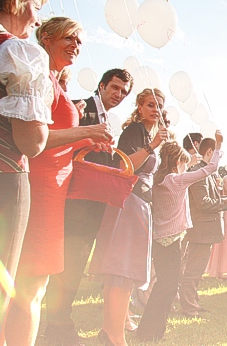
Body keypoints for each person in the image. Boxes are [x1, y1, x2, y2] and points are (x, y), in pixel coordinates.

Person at [4, 16, 112, 346]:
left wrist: (83, 142)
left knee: (32, 284)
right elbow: (34, 139)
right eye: (70, 38)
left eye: (80, 42)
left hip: (55, 189)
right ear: (46, 37)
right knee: (29, 285)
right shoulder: (39, 79)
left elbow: (57, 138)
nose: (76, 46)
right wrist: (87, 130)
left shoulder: (54, 79)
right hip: (39, 188)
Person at [44, 68, 133, 346]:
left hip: (93, 201)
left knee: (75, 262)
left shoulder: (107, 119)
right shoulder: (80, 108)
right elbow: (61, 142)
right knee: (67, 263)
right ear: (102, 85)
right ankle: (57, 328)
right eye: (115, 88)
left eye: (123, 92)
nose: (118, 95)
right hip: (74, 200)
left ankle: (60, 324)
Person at [89, 88, 169, 346]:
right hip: (130, 201)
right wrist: (152, 146)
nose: (155, 109)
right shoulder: (135, 131)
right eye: (150, 105)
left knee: (122, 272)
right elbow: (125, 166)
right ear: (139, 106)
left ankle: (108, 332)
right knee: (123, 271)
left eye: (159, 105)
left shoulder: (146, 133)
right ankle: (116, 336)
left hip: (139, 202)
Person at [0, 0, 51, 341]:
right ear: (16, 1)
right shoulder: (20, 53)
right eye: (36, 4)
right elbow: (30, 141)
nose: (38, 17)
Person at [136, 134, 222, 342]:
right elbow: (209, 169)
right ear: (177, 162)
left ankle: (151, 331)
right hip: (171, 240)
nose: (186, 165)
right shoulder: (176, 180)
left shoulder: (158, 180)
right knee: (167, 287)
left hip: (159, 239)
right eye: (184, 162)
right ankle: (151, 332)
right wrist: (218, 145)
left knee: (164, 286)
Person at [178, 137, 227, 317]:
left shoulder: (207, 173)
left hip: (206, 231)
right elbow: (203, 203)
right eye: (217, 153)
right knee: (193, 269)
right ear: (209, 152)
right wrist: (225, 202)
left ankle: (193, 302)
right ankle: (188, 306)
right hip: (200, 230)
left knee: (197, 269)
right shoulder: (198, 172)